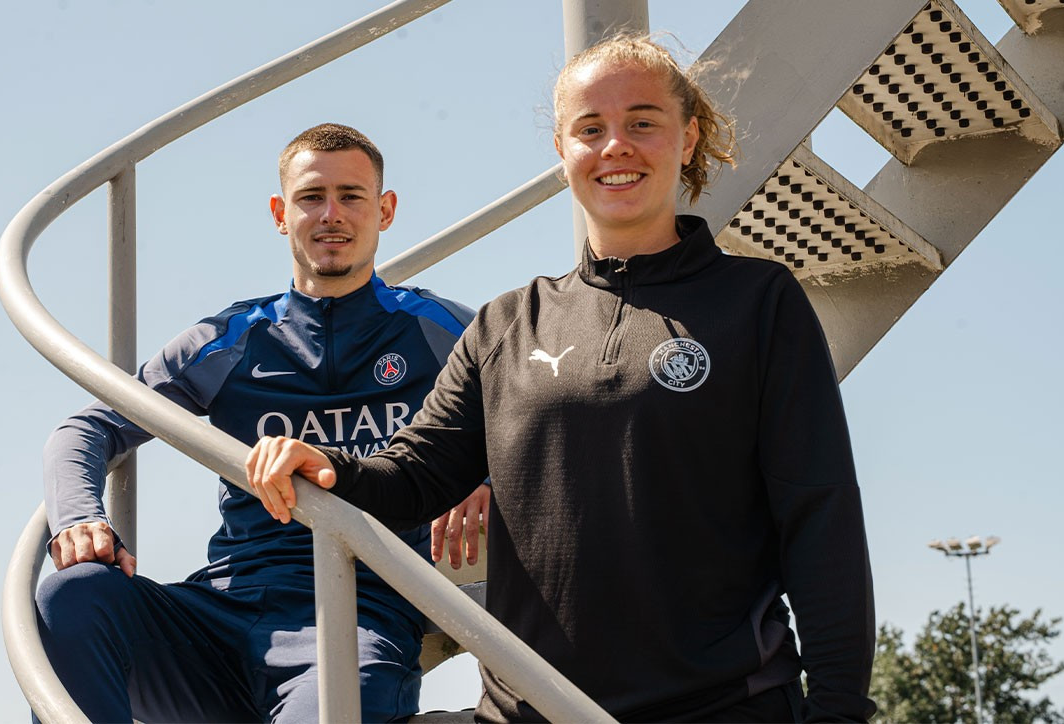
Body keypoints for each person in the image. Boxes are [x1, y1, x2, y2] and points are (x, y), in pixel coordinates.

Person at [247, 37, 876, 723]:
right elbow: (416, 476)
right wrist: (330, 466)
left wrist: (839, 707)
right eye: (590, 128)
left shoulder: (759, 302)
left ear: (688, 137)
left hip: (722, 707)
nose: (615, 147)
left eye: (642, 121)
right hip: (529, 710)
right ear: (561, 149)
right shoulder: (508, 323)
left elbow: (821, 519)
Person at [34, 123, 490, 723]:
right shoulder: (230, 340)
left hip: (356, 617)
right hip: (221, 612)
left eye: (352, 196)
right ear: (281, 212)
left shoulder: (443, 330)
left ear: (385, 211)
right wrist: (81, 519)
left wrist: (488, 469)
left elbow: (543, 417)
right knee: (72, 593)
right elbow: (88, 429)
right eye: (311, 197)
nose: (332, 215)